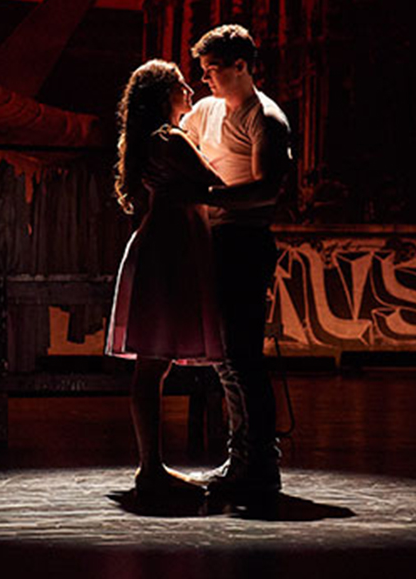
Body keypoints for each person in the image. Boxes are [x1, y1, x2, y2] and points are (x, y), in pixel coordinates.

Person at [179, 25, 293, 498]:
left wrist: (207, 195)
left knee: (241, 356)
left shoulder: (265, 118)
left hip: (242, 243)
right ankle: (241, 457)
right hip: (213, 240)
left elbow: (268, 188)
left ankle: (259, 460)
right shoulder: (206, 110)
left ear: (241, 66)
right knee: (224, 358)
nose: (205, 80)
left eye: (213, 70)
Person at [106, 59, 225, 495]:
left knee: (152, 364)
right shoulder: (169, 139)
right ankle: (150, 467)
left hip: (164, 245)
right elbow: (216, 183)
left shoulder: (155, 140)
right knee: (153, 363)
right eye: (181, 86)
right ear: (163, 96)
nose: (191, 92)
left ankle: (150, 465)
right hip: (170, 250)